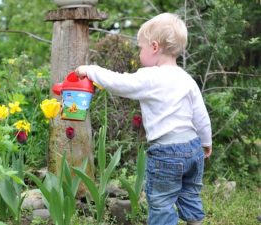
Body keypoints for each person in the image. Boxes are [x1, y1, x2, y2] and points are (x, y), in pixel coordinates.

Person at [75, 12, 212, 225]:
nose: (139, 52)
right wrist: (205, 142)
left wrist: (90, 70)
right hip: (192, 148)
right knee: (190, 194)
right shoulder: (186, 79)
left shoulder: (150, 76)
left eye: (141, 47)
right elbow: (200, 115)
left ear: (154, 47)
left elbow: (118, 83)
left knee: (162, 202)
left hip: (167, 153)